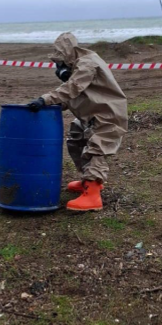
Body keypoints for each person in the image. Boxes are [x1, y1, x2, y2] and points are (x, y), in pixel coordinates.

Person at [27, 32, 127, 212]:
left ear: (67, 56)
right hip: (91, 116)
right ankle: (88, 181)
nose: (59, 69)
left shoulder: (87, 64)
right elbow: (74, 95)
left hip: (107, 115)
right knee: (75, 141)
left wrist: (46, 99)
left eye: (60, 63)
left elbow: (73, 88)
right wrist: (50, 105)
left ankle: (93, 196)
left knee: (97, 149)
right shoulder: (77, 68)